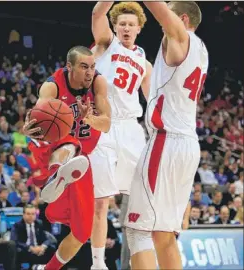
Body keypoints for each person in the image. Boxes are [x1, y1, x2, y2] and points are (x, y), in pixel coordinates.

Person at [125, 2, 209, 269]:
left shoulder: (181, 37)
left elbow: (162, 14)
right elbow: (164, 91)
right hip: (185, 144)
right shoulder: (200, 48)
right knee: (163, 235)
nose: (162, 21)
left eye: (169, 13)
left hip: (166, 143)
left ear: (182, 18)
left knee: (138, 232)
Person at [22, 45, 111, 270]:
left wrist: (89, 118)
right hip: (50, 149)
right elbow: (38, 119)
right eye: (83, 67)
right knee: (68, 139)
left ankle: (47, 269)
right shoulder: (52, 85)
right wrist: (28, 128)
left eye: (92, 67)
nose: (90, 72)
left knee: (82, 232)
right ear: (69, 67)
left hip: (81, 159)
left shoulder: (99, 83)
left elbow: (107, 124)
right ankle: (54, 176)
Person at [90, 2, 152, 269]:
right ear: (115, 26)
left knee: (142, 198)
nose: (126, 28)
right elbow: (97, 13)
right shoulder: (106, 44)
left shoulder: (145, 63)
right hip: (104, 124)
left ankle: (139, 259)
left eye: (131, 24)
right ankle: (98, 264)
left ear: (139, 28)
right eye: (122, 24)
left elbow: (153, 101)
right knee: (101, 201)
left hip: (131, 129)